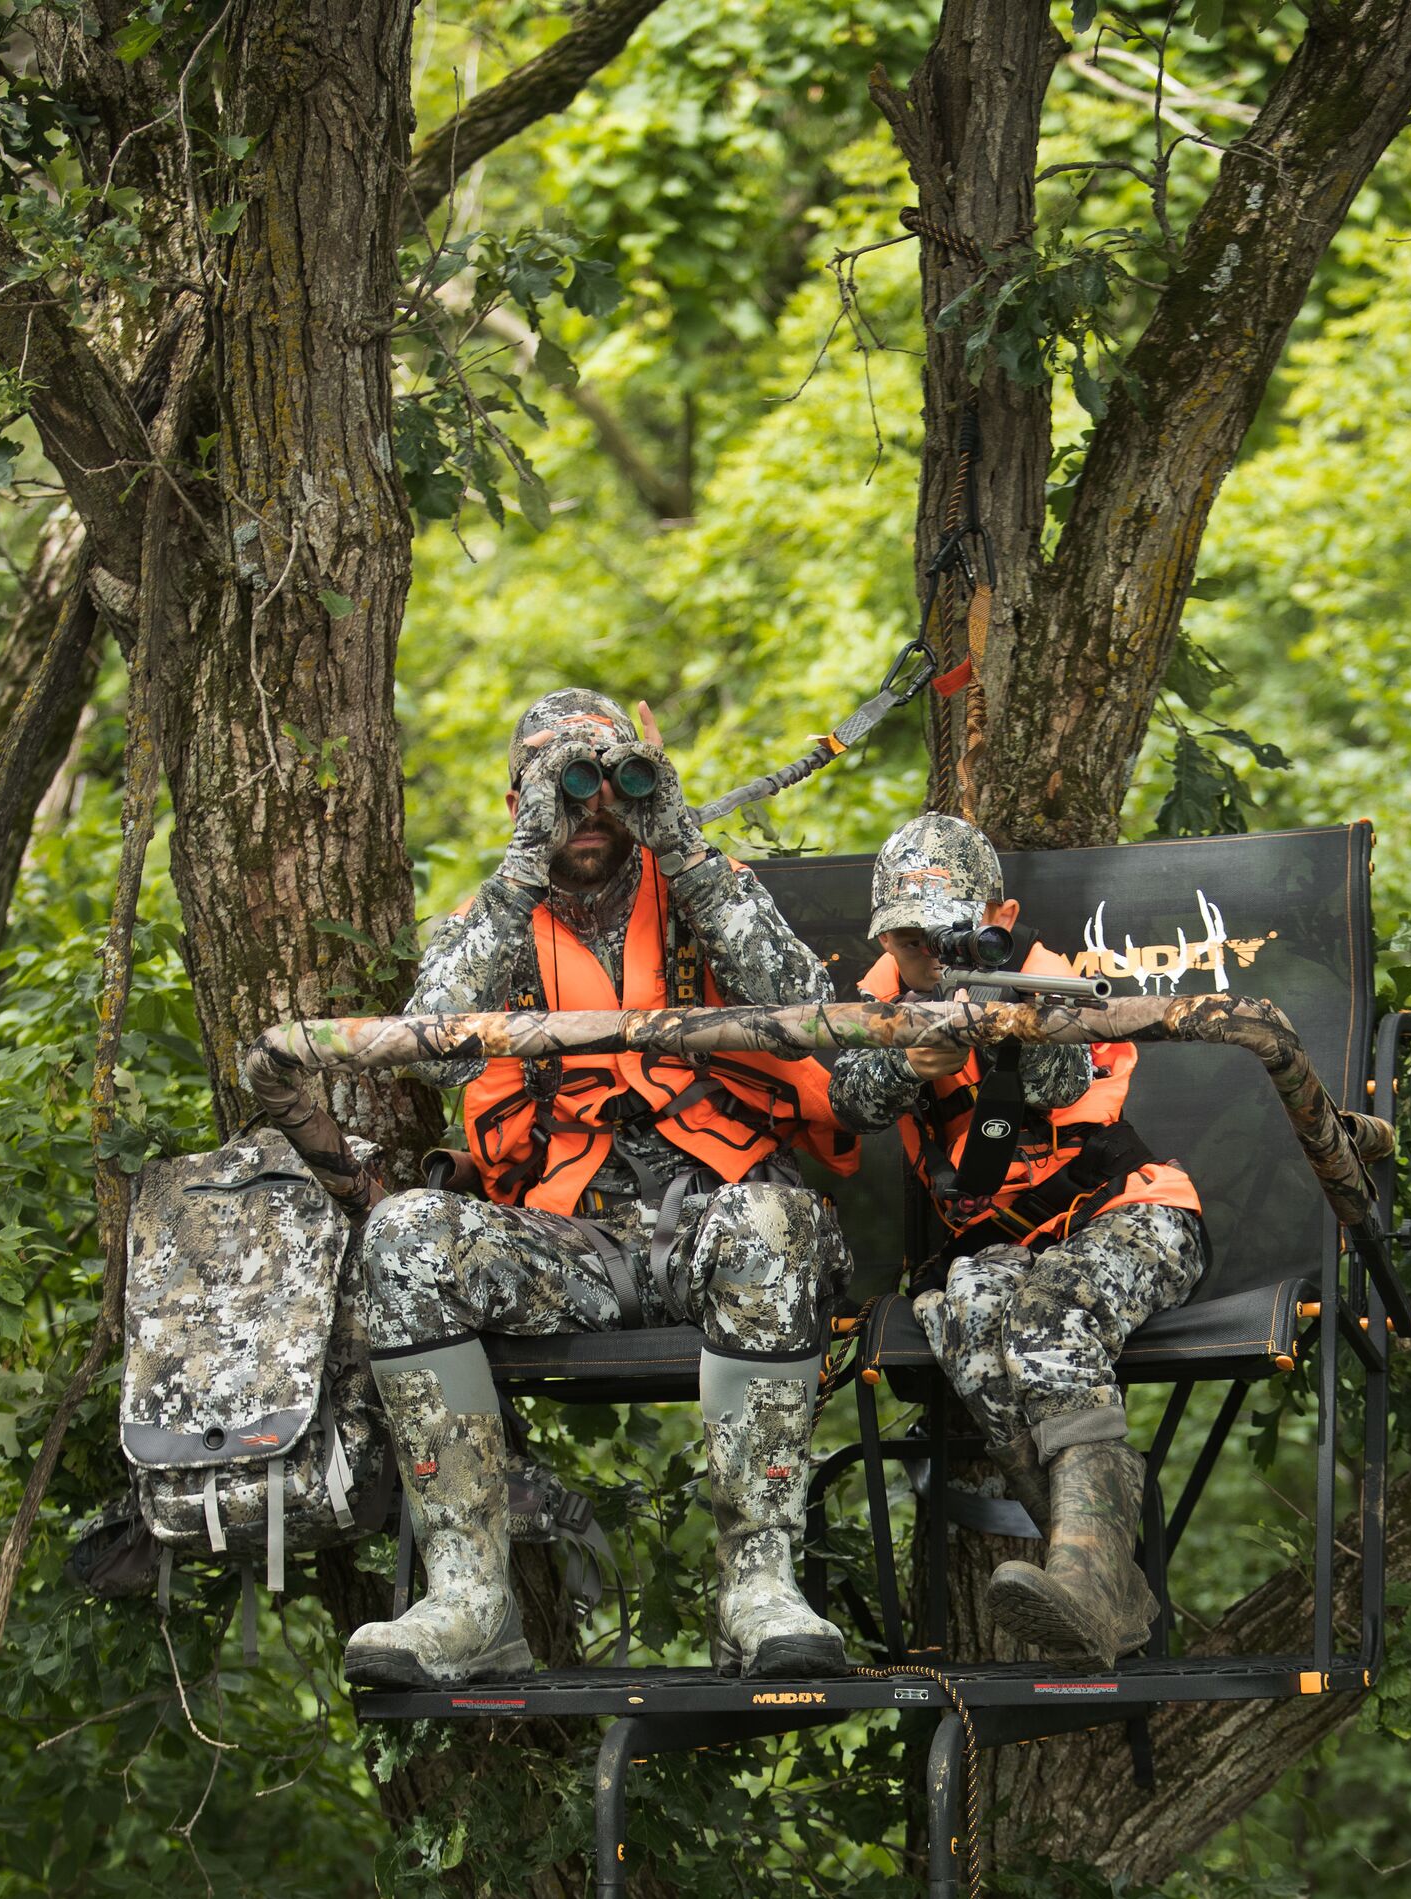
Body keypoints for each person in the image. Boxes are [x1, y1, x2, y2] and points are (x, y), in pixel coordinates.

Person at [344, 691, 857, 1689]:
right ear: (518, 802)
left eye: (608, 786)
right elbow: (434, 1048)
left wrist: (677, 836)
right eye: (564, 788)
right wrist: (521, 863)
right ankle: (467, 1600)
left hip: (725, 1220)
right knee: (405, 1234)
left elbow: (806, 1005)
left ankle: (759, 1587)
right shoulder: (495, 916)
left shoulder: (703, 888)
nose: (592, 811)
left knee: (779, 1222)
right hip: (570, 1239)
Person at [827, 812, 1207, 1665]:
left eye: (939, 933)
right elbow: (848, 1098)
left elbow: (1069, 1076)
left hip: (1134, 1217)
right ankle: (1100, 1576)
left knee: (1043, 1319)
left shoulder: (1045, 979)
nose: (923, 951)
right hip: (1007, 1247)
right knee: (964, 1322)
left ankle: (1092, 1572)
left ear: (991, 918)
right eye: (905, 937)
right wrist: (907, 1059)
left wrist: (1006, 1024)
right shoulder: (887, 990)